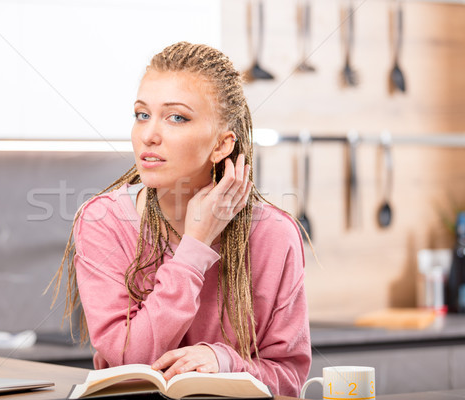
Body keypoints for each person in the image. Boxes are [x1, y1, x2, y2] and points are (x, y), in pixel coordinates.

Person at [46, 41, 311, 397]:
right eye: (142, 114)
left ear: (221, 145)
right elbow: (130, 364)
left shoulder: (275, 235)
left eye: (176, 117)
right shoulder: (102, 221)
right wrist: (195, 247)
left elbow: (290, 381)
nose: (149, 135)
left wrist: (223, 362)